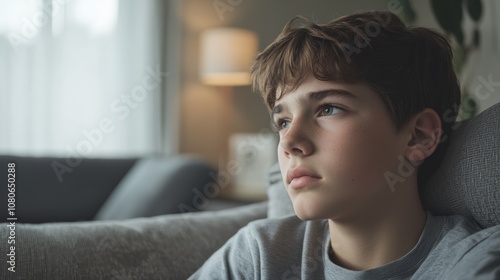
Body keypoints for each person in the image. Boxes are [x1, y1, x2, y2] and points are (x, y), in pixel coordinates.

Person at [189, 10, 500, 279]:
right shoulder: (259, 255)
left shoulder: (472, 262)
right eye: (282, 122)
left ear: (418, 135)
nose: (290, 142)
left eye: (328, 109)